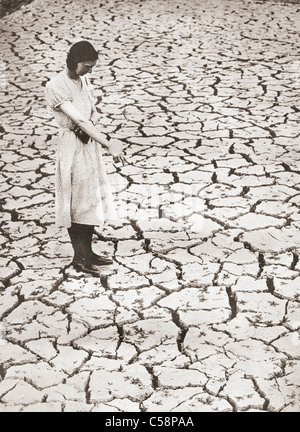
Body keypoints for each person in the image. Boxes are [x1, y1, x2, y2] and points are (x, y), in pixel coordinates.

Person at [45, 40, 124, 276]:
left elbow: (91, 112)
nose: (90, 71)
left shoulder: (84, 80)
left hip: (89, 145)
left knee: (89, 200)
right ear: (73, 61)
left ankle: (88, 252)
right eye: (87, 66)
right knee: (76, 203)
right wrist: (109, 143)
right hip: (73, 147)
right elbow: (77, 120)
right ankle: (79, 257)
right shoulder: (56, 85)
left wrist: (94, 127)